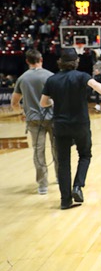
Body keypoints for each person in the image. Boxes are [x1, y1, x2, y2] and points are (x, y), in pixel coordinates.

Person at [40, 48, 101, 209]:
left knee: (63, 162)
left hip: (60, 126)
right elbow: (97, 86)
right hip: (80, 124)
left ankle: (65, 201)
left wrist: (53, 102)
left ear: (60, 62)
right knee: (85, 155)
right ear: (76, 62)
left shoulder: (52, 80)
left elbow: (43, 103)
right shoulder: (82, 76)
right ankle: (77, 186)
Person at [11, 48, 58, 195]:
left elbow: (14, 102)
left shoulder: (22, 78)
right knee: (58, 149)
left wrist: (21, 111)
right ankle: (59, 178)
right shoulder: (51, 76)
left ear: (27, 61)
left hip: (33, 120)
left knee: (38, 152)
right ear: (41, 59)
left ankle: (42, 185)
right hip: (52, 118)